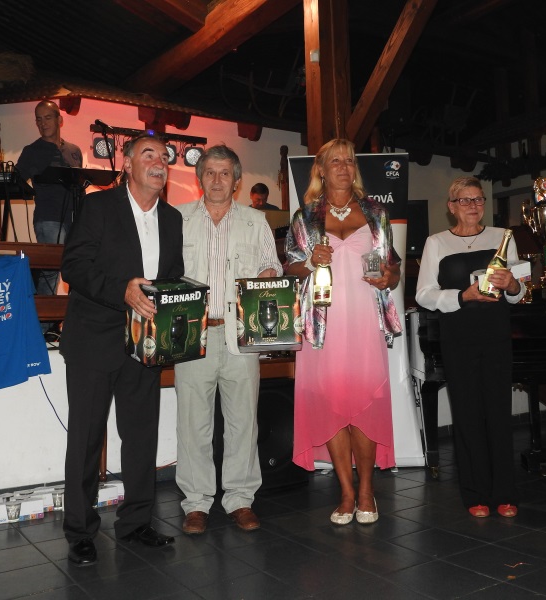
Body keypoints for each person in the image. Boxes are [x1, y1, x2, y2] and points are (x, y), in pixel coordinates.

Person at [59, 134, 183, 565]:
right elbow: (73, 266)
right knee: (86, 439)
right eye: (148, 155)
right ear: (127, 164)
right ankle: (80, 531)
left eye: (164, 157)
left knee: (142, 436)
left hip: (145, 344)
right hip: (94, 339)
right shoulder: (98, 207)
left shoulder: (172, 219)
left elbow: (172, 276)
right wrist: (123, 291)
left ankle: (135, 523)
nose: (159, 162)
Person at [285, 138, 401, 525]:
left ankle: (367, 490)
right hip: (323, 324)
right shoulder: (306, 216)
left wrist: (389, 278)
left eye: (349, 161)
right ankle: (346, 493)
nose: (343, 167)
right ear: (320, 169)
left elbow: (393, 268)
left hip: (366, 320)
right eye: (335, 161)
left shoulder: (375, 212)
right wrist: (308, 262)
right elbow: (290, 268)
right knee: (332, 402)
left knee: (364, 403)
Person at [174, 145, 283, 535]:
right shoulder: (178, 219)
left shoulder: (256, 221)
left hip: (241, 333)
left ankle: (239, 499)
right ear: (199, 178)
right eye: (210, 172)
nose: (217, 180)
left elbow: (272, 265)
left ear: (236, 181)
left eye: (225, 173)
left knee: (243, 422)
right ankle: (196, 503)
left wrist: (269, 274)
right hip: (194, 333)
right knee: (193, 423)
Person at [415, 176, 525, 519]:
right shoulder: (436, 242)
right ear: (452, 207)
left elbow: (518, 294)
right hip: (458, 337)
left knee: (498, 413)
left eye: (478, 199)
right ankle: (475, 494)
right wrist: (463, 296)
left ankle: (505, 493)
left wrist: (513, 284)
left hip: (496, 334)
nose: (473, 206)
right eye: (465, 200)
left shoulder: (503, 237)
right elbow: (424, 295)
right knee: (466, 415)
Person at [16, 100, 83, 296]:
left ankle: (71, 313)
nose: (42, 123)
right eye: (38, 119)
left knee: (77, 270)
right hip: (48, 218)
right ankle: (44, 316)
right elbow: (15, 182)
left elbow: (80, 184)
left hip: (75, 220)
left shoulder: (74, 150)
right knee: (50, 270)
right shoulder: (31, 151)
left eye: (47, 118)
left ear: (59, 120)